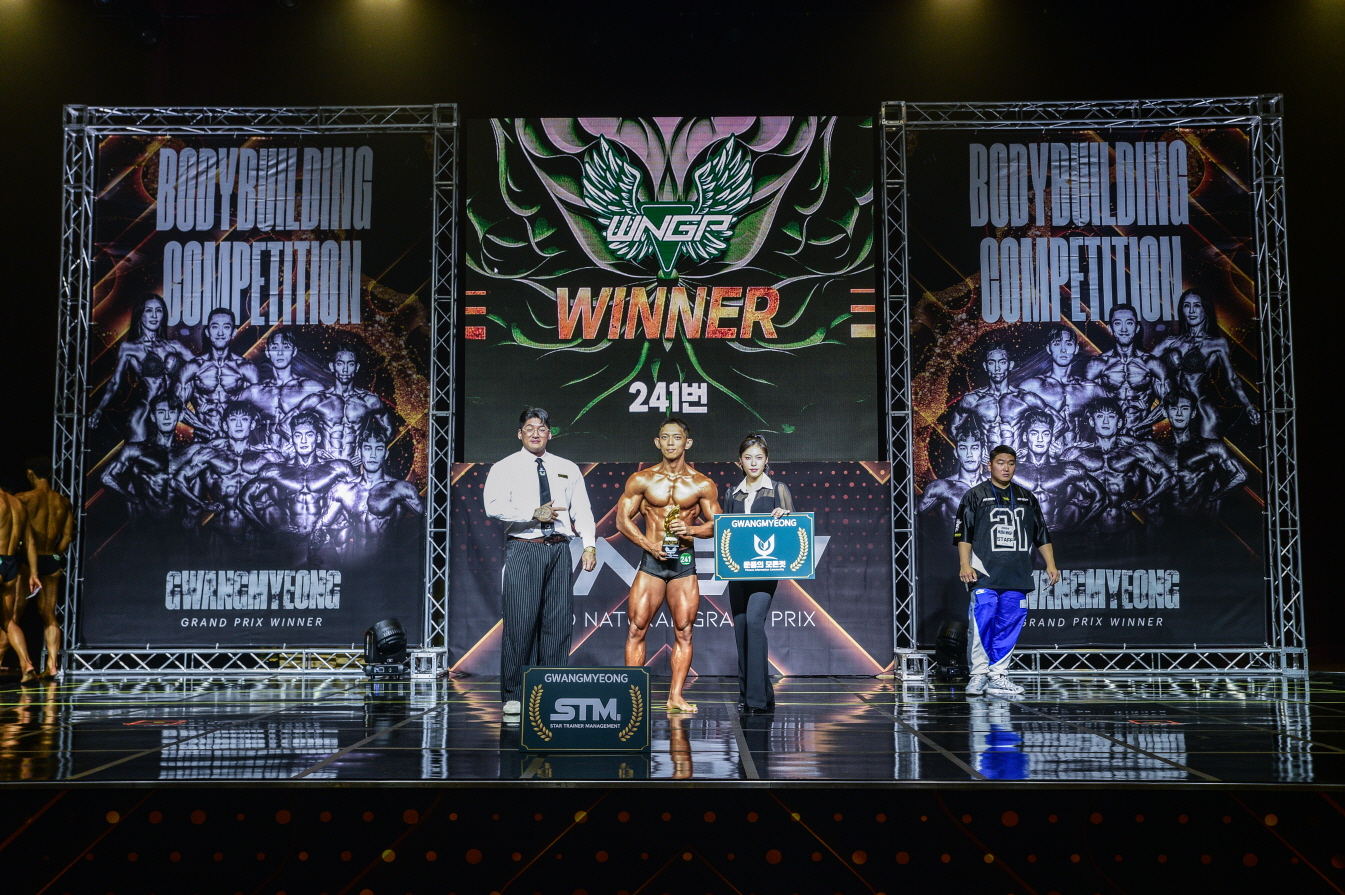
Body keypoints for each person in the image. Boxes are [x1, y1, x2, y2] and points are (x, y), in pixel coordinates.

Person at [483, 407, 597, 720]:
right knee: (520, 624)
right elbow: (493, 506)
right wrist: (532, 513)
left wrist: (589, 545)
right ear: (520, 434)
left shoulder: (567, 468)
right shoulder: (505, 467)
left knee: (557, 624)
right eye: (530, 428)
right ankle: (514, 695)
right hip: (525, 548)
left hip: (559, 550)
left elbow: (582, 510)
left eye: (542, 428)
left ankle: (551, 691)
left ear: (550, 434)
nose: (536, 433)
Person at [615, 418, 720, 713]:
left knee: (684, 631)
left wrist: (691, 530)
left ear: (687, 442)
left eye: (676, 437)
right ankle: (633, 698)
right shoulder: (642, 480)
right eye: (665, 437)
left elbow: (717, 524)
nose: (671, 442)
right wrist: (649, 545)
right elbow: (622, 520)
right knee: (636, 628)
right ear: (657, 442)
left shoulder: (702, 484)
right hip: (652, 561)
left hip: (683, 562)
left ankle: (675, 696)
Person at [953, 444, 1059, 697]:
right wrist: (964, 564)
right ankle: (978, 675)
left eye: (1011, 463)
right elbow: (963, 533)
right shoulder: (975, 495)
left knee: (1009, 624)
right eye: (1000, 463)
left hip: (1017, 574)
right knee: (982, 621)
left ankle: (998, 676)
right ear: (989, 465)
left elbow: (1041, 534)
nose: (1006, 468)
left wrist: (1051, 564)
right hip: (984, 573)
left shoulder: (1026, 497)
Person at [721, 433, 793, 714]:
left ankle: (757, 700)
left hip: (764, 571)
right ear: (739, 461)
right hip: (737, 573)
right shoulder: (731, 493)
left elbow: (795, 529)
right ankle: (753, 693)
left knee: (753, 622)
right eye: (748, 457)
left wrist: (785, 515)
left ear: (766, 460)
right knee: (740, 629)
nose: (753, 463)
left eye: (758, 458)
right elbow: (726, 533)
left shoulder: (777, 489)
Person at [237, 410, 356, 564]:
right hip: (288, 546)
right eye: (298, 435)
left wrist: (345, 522)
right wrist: (268, 531)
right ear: (292, 439)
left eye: (309, 435)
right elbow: (243, 499)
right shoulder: (276, 471)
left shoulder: (336, 468)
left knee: (332, 579)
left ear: (318, 438)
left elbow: (360, 497)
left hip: (323, 543)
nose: (303, 441)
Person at [1153, 289, 1261, 438]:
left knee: (1209, 450)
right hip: (1179, 409)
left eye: (1197, 305)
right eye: (1187, 305)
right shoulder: (1171, 342)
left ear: (1206, 310)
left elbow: (1232, 379)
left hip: (1201, 408)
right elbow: (1143, 363)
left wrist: (1248, 406)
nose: (1191, 311)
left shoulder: (1216, 344)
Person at [88, 294, 194, 442]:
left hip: (167, 414)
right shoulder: (130, 348)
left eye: (158, 310)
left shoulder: (174, 346)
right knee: (137, 454)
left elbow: (202, 366)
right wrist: (99, 409)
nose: (154, 315)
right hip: (145, 412)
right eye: (149, 310)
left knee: (165, 454)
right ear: (140, 315)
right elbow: (115, 382)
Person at [323, 412, 425, 556]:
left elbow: (429, 520)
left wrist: (412, 556)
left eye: (378, 449)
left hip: (389, 565)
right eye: (367, 448)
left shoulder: (399, 489)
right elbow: (322, 526)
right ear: (360, 453)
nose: (372, 455)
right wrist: (315, 556)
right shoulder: (344, 490)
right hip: (355, 565)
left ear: (386, 454)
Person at [16, 457, 73, 679]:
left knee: (12, 616)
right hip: (50, 559)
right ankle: (52, 665)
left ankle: (24, 664)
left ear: (30, 473)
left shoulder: (23, 499)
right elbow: (67, 537)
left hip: (27, 561)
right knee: (49, 613)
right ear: (49, 474)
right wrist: (55, 555)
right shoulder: (63, 502)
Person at [1083, 303, 1170, 438]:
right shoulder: (1097, 365)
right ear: (1110, 328)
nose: (1124, 329)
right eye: (1118, 323)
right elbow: (1083, 405)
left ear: (1137, 328)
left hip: (1142, 436)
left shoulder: (1151, 364)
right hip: (1107, 439)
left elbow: (1169, 403)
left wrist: (1140, 426)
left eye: (1129, 323)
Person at [285, 346, 386, 462]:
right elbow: (283, 425)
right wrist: (313, 449)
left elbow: (389, 432)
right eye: (340, 364)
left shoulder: (370, 401)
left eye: (350, 364)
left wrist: (367, 451)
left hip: (355, 467)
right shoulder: (318, 400)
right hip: (325, 466)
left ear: (357, 367)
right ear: (332, 366)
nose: (345, 370)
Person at [1012, 408, 1106, 533]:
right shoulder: (1011, 470)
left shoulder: (1068, 469)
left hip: (1056, 534)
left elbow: (1101, 497)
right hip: (1022, 534)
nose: (1040, 439)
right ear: (1025, 437)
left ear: (1052, 437)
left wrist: (1079, 529)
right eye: (1034, 434)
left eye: (1045, 434)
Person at [175, 308, 260, 441]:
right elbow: (176, 407)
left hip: (236, 443)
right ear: (207, 332)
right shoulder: (193, 368)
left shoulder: (247, 369)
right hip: (202, 440)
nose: (220, 333)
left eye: (226, 327)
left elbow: (258, 410)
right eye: (215, 327)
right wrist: (206, 430)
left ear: (233, 331)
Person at [239, 329, 324, 451]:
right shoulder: (255, 392)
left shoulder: (310, 388)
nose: (280, 353)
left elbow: (331, 421)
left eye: (286, 347)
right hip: (264, 455)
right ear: (267, 352)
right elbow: (228, 416)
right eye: (275, 347)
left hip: (299, 456)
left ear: (294, 351)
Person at [951, 343, 1043, 450]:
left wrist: (1030, 450)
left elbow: (1057, 421)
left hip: (1016, 458)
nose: (997, 368)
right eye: (991, 363)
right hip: (987, 459)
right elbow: (953, 429)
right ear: (985, 366)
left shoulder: (1025, 398)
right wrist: (973, 452)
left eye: (1002, 362)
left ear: (1010, 365)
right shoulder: (972, 399)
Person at [0, 487, 41, 683]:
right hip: (10, 565)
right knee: (7, 621)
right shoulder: (17, 504)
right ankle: (27, 664)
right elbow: (30, 542)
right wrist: (34, 574)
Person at [918, 418, 986, 525]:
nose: (969, 454)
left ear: (983, 452)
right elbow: (912, 517)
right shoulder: (942, 488)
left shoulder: (994, 486)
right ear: (956, 453)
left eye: (974, 448)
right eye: (963, 448)